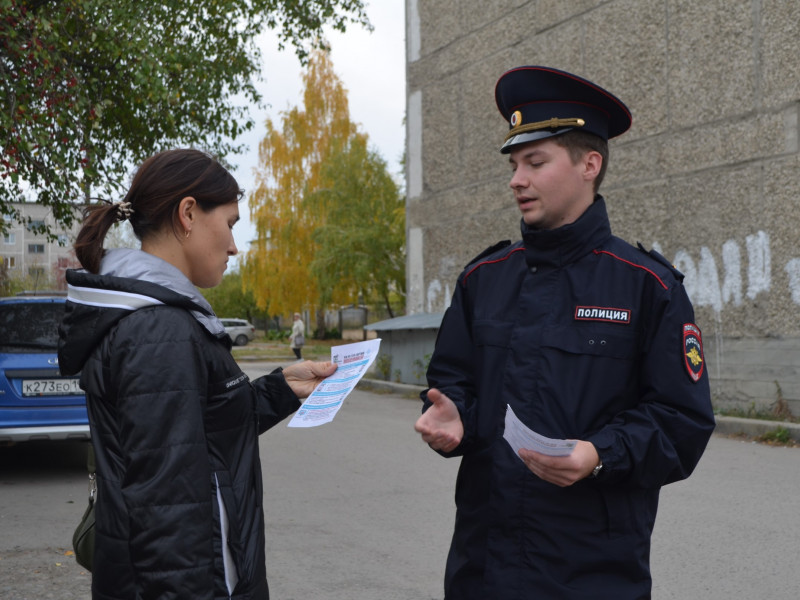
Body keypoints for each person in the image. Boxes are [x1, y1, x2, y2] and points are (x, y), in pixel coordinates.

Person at [414, 66, 716, 599]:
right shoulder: (484, 279)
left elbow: (682, 422)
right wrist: (453, 414)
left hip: (592, 575)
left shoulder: (647, 286)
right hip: (481, 571)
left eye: (535, 162)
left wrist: (600, 454)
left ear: (589, 164)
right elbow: (453, 381)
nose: (516, 179)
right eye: (514, 164)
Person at [57, 148, 336, 599]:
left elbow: (200, 435)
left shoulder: (158, 318)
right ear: (188, 213)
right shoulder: (158, 330)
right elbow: (169, 513)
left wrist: (281, 388)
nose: (233, 245)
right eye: (229, 223)